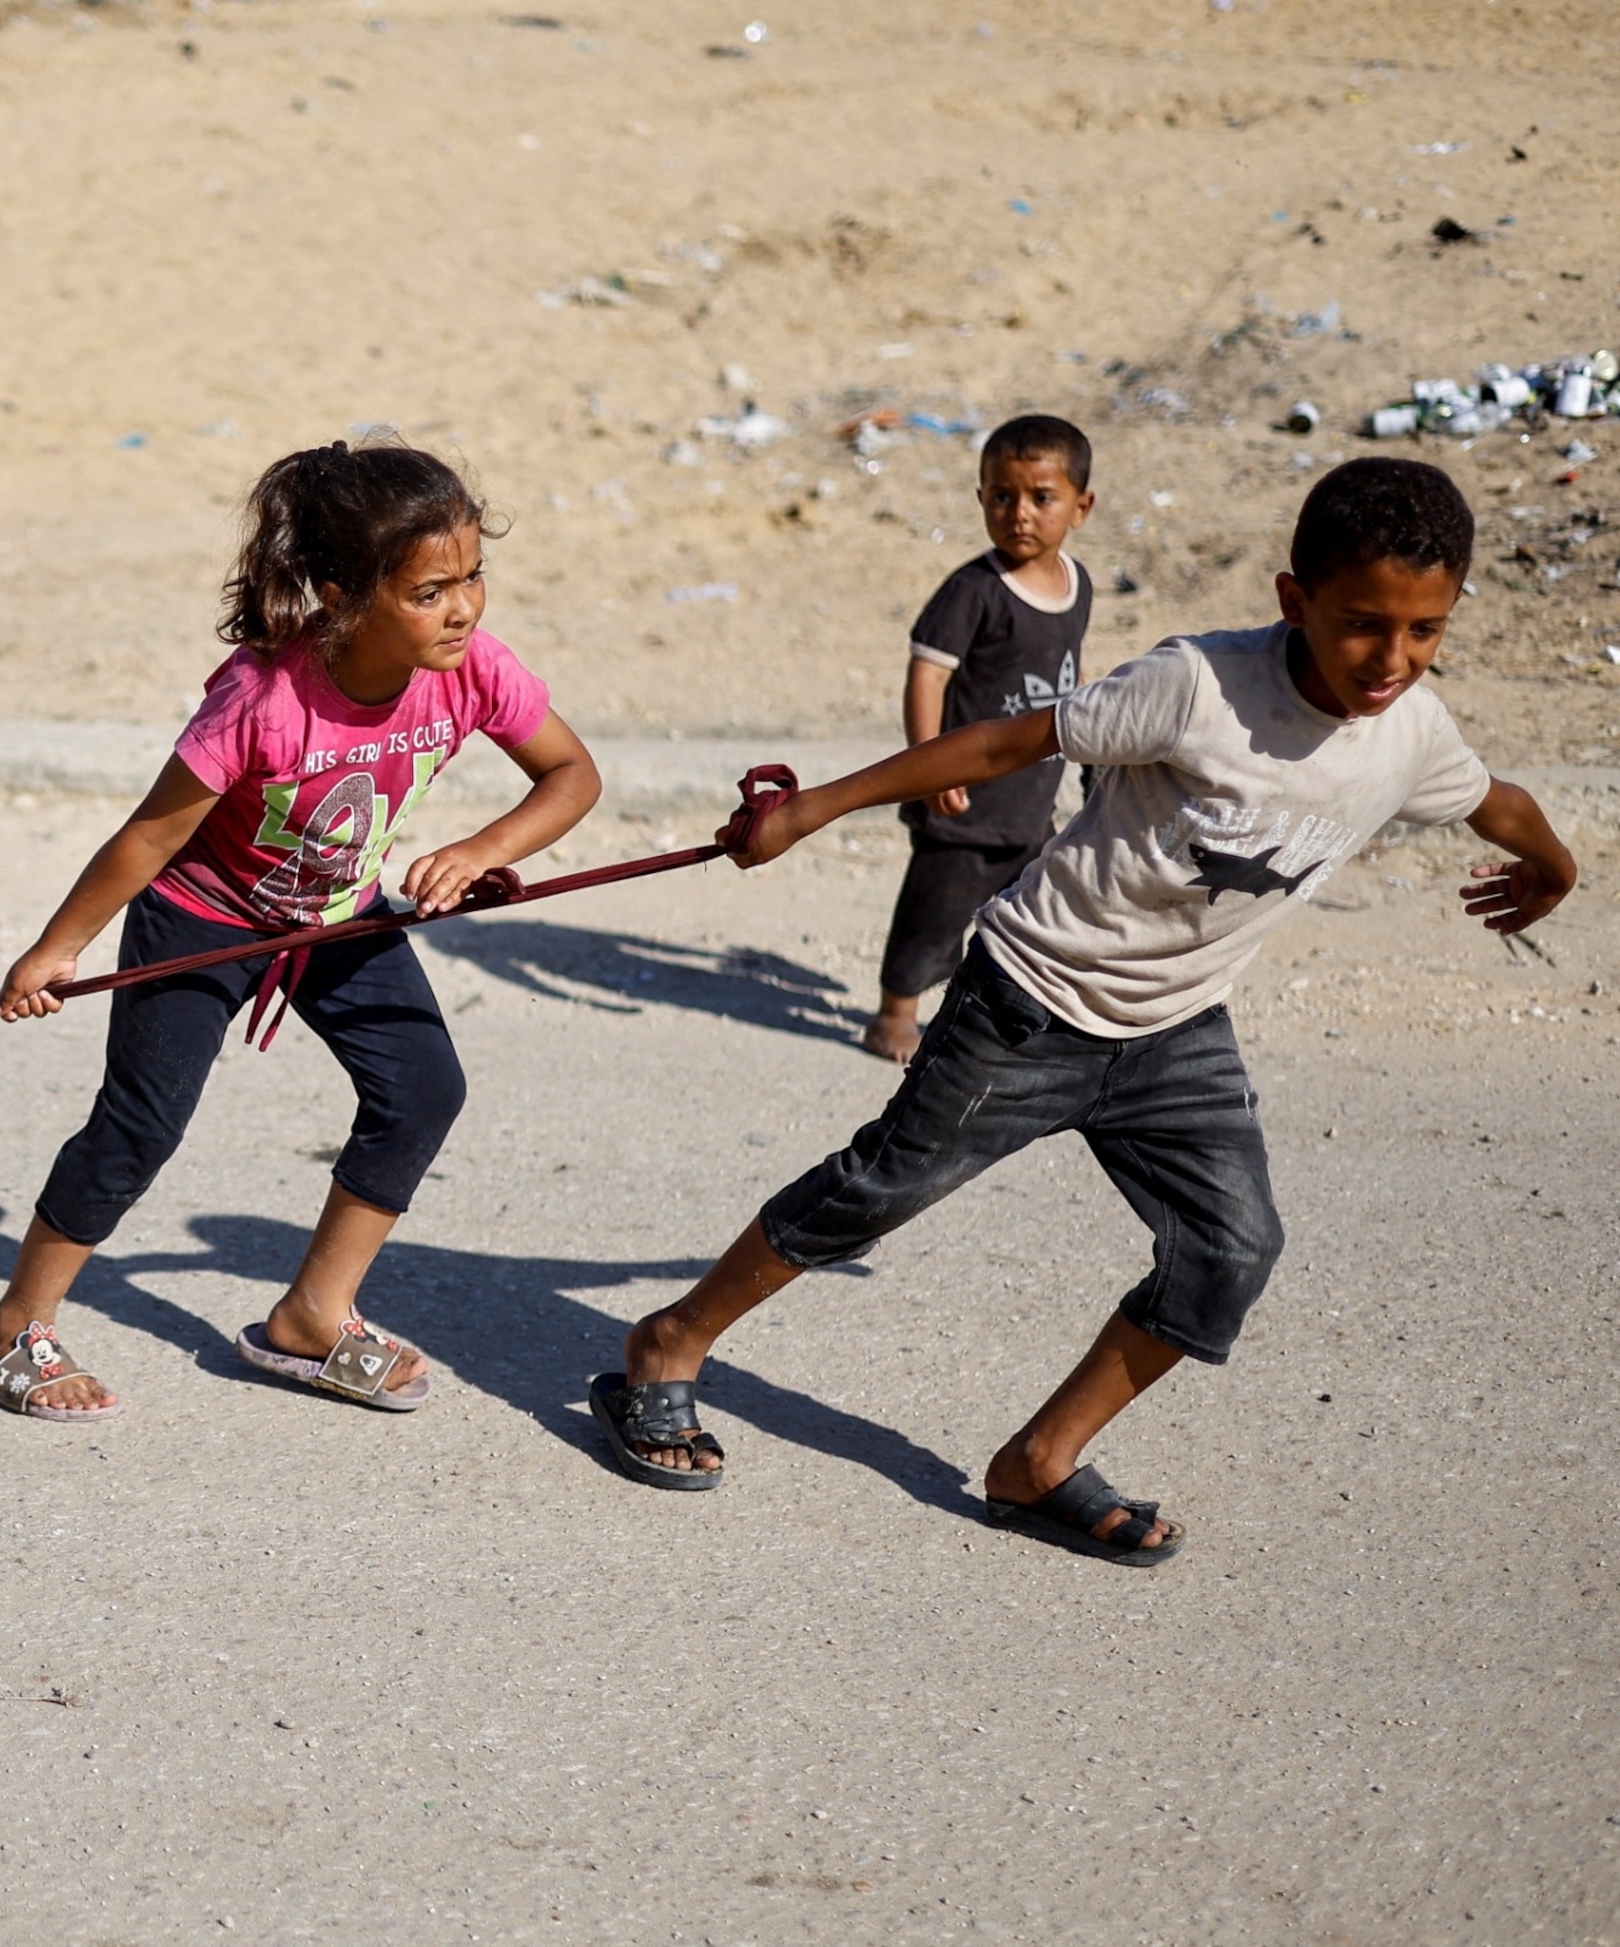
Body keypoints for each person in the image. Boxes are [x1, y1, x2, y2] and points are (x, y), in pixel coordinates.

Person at [591, 458, 1575, 1565]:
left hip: (1175, 1031)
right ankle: (669, 1343)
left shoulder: (1413, 731)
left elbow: (1497, 800)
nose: (1391, 659)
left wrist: (1554, 866)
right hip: (1030, 998)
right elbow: (1011, 741)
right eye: (1361, 625)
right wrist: (812, 809)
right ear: (1295, 598)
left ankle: (1039, 1461)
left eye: (1425, 630)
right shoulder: (1198, 687)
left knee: (1230, 1250)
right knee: (877, 1190)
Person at [0, 441, 602, 1420]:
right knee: (140, 1130)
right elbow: (149, 837)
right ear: (341, 593)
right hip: (205, 916)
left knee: (424, 1090)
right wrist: (57, 946)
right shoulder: (261, 698)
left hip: (337, 917)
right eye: (429, 591)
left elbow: (571, 776)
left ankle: (310, 1315)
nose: (463, 607)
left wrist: (483, 847)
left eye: (473, 577)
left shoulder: (472, 670)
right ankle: (11, 1328)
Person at [864, 414, 1096, 1066]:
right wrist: (928, 766)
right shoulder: (974, 591)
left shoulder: (1078, 587)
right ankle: (894, 1014)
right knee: (935, 908)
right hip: (961, 798)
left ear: (1081, 505)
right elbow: (926, 674)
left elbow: (1066, 673)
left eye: (1040, 497)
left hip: (1030, 794)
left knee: (1035, 910)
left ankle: (1015, 1014)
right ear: (981, 499)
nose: (1018, 512)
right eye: (1001, 496)